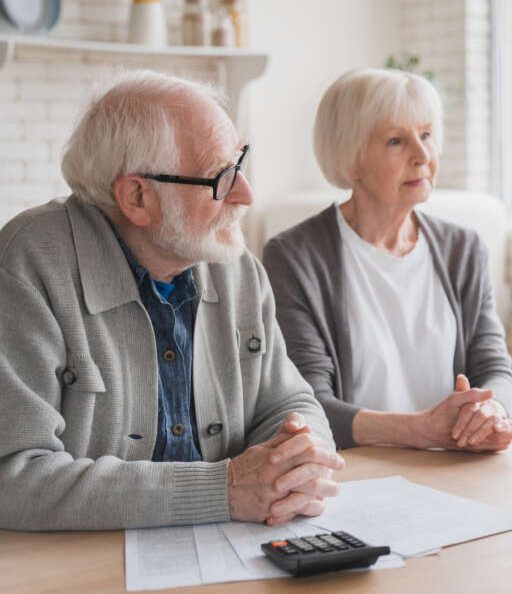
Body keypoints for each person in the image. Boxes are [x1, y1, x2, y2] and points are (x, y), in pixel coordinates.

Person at [0, 71, 344, 531]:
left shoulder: (234, 264)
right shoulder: (29, 264)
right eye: (220, 176)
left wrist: (302, 461)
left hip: (234, 551)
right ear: (137, 197)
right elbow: (14, 476)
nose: (245, 194)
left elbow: (287, 401)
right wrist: (223, 490)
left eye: (239, 165)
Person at [263, 68, 512, 452]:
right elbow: (307, 403)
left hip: (453, 465)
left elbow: (494, 368)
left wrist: (491, 411)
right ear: (351, 160)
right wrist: (417, 430)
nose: (422, 156)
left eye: (427, 135)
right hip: (356, 473)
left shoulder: (463, 249)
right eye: (397, 141)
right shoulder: (294, 256)